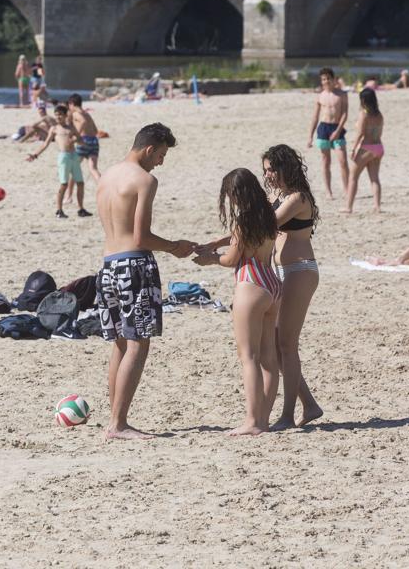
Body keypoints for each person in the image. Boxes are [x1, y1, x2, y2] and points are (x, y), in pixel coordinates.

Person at [94, 123, 195, 440]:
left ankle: (115, 417)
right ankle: (118, 424)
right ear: (150, 149)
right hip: (134, 265)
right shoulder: (145, 180)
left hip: (108, 264)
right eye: (162, 155)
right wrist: (174, 247)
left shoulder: (107, 176)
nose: (161, 162)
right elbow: (141, 236)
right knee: (138, 342)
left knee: (120, 343)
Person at [193, 169, 282, 437]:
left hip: (250, 284)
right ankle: (263, 419)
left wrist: (211, 258)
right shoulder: (268, 215)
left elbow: (232, 258)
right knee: (269, 358)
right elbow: (240, 240)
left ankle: (252, 421)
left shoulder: (243, 221)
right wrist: (218, 242)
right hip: (272, 284)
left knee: (249, 358)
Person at [261, 145, 324, 430]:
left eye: (272, 169)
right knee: (277, 344)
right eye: (265, 170)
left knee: (287, 344)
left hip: (300, 270)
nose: (268, 175)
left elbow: (265, 224)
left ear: (286, 168)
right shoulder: (276, 195)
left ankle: (287, 415)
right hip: (281, 270)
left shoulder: (298, 198)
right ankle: (309, 405)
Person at [26, 104, 90, 219]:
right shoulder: (54, 129)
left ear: (65, 115)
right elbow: (45, 144)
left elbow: (81, 141)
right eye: (56, 115)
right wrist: (35, 155)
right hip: (64, 157)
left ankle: (81, 209)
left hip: (74, 156)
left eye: (60, 115)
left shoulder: (71, 128)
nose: (58, 117)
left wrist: (77, 140)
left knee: (80, 183)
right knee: (64, 184)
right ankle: (59, 210)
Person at [307, 68, 349, 199]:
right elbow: (315, 117)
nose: (326, 81)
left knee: (342, 160)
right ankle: (328, 191)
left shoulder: (342, 94)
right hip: (323, 128)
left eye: (328, 78)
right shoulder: (320, 96)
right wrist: (310, 136)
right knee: (326, 161)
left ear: (333, 79)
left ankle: (347, 189)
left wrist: (337, 131)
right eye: (323, 79)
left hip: (337, 127)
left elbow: (344, 114)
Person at [344, 88, 385, 214]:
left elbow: (360, 133)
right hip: (378, 147)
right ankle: (377, 206)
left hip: (366, 147)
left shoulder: (364, 114)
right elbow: (380, 132)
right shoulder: (379, 115)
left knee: (353, 177)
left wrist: (353, 149)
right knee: (374, 179)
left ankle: (348, 207)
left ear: (363, 100)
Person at [67, 93, 102, 181]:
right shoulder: (87, 114)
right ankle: (103, 187)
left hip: (83, 140)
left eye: (69, 105)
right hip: (94, 141)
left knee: (74, 169)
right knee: (93, 169)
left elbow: (83, 121)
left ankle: (68, 194)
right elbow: (95, 130)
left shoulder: (76, 113)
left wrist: (77, 136)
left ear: (72, 103)